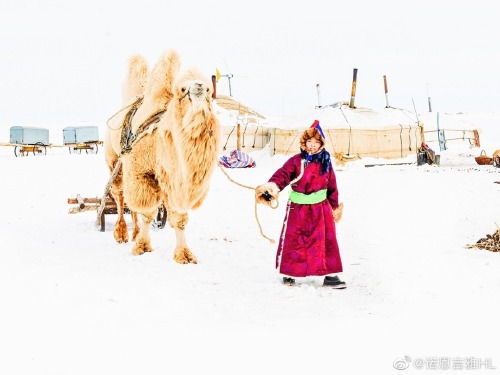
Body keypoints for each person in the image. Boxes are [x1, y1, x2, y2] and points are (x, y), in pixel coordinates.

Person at [255, 120, 346, 288]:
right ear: (304, 143)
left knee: (326, 240)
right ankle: (289, 273)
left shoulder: (325, 162)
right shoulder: (296, 161)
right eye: (309, 141)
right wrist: (272, 188)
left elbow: (332, 185)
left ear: (321, 143)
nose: (312, 145)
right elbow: (282, 175)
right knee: (295, 239)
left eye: (316, 142)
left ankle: (330, 275)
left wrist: (334, 207)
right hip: (298, 208)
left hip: (321, 208)